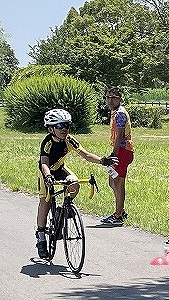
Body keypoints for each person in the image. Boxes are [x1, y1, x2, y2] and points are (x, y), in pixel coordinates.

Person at [36, 108, 117, 259]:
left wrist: (102, 160)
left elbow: (85, 154)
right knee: (45, 202)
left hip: (60, 169)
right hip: (46, 172)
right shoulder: (47, 142)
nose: (64, 129)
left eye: (66, 125)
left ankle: (63, 209)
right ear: (51, 128)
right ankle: (41, 236)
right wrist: (47, 177)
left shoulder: (69, 140)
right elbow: (44, 163)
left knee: (75, 183)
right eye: (60, 126)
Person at [100, 87, 134, 226]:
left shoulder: (120, 113)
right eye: (108, 97)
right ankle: (120, 210)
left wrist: (113, 155)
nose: (110, 100)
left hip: (122, 151)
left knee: (117, 183)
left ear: (119, 99)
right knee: (112, 182)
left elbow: (120, 136)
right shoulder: (116, 112)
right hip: (120, 150)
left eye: (113, 97)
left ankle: (118, 215)